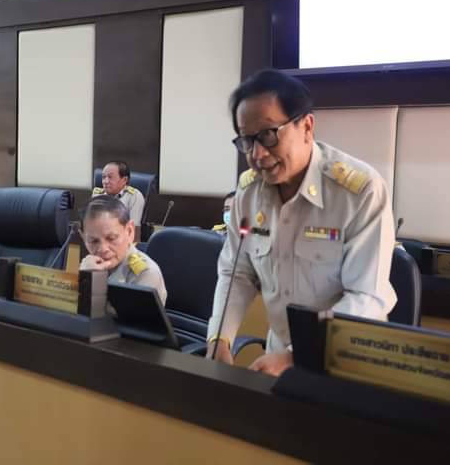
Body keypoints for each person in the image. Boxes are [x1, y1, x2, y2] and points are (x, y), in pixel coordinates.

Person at [207, 69, 397, 376]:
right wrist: (220, 337)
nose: (257, 154)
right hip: (278, 354)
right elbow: (237, 272)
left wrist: (297, 357)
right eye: (247, 140)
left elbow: (367, 297)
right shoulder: (248, 193)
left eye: (268, 135)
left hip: (346, 359)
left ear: (306, 127)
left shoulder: (359, 192)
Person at [78, 195, 167, 304]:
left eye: (111, 238)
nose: (103, 249)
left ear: (129, 231)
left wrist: (90, 282)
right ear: (83, 237)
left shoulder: (146, 273)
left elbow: (108, 315)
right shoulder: (87, 264)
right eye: (93, 241)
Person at [91, 161, 145, 225]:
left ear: (124, 180)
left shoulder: (134, 196)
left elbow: (134, 228)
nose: (106, 181)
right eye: (103, 177)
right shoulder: (97, 195)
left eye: (110, 177)